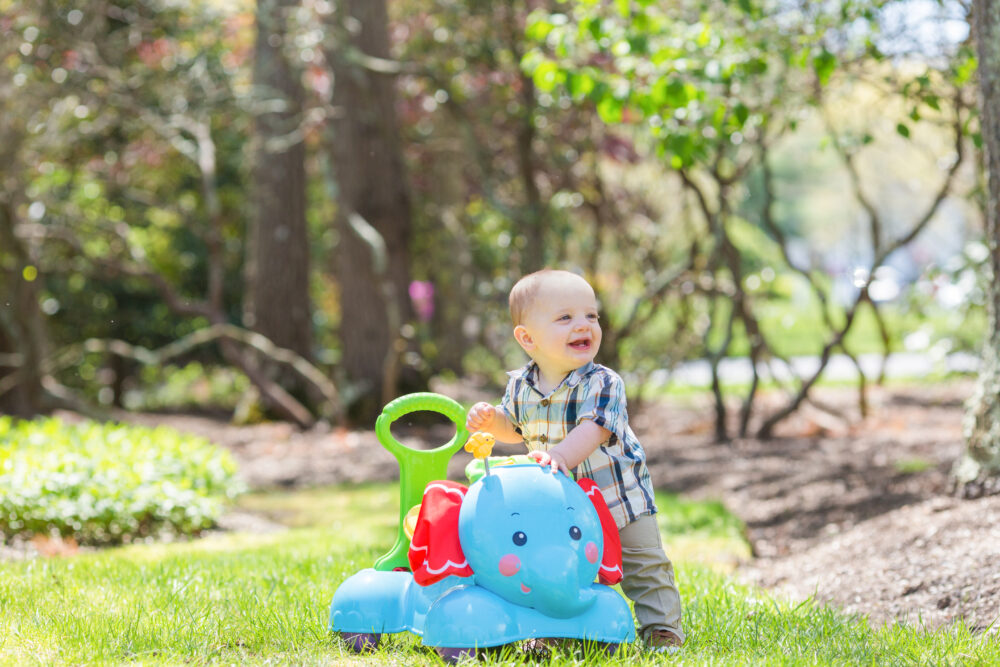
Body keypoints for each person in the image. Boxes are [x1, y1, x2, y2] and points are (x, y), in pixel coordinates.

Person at [466, 268, 685, 653]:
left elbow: (595, 427)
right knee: (560, 566)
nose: (583, 325)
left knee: (644, 562)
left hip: (618, 497)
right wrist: (491, 421)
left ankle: (661, 628)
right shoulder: (520, 386)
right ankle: (564, 628)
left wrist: (559, 455)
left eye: (591, 315)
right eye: (565, 317)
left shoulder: (603, 382)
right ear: (527, 338)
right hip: (561, 508)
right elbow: (512, 428)